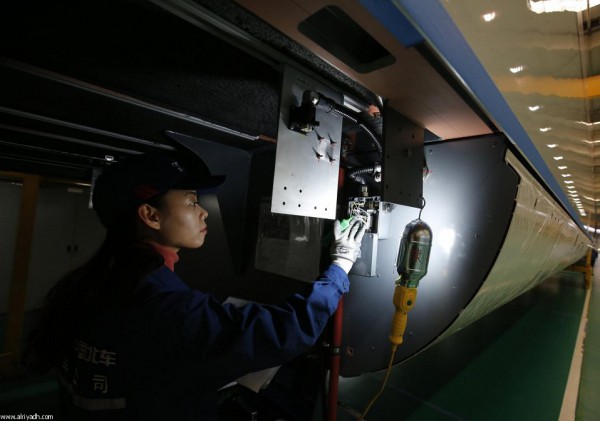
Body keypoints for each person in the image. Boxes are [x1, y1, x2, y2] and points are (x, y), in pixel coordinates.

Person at [23, 151, 366, 420]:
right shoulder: (159, 301)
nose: (203, 212)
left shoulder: (92, 282)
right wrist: (339, 267)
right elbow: (285, 331)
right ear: (150, 215)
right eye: (191, 201)